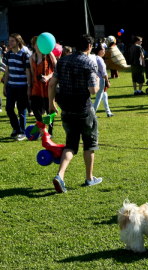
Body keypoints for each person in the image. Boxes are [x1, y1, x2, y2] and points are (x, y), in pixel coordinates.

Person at [48, 34, 102, 193]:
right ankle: (89, 178)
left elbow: (52, 83)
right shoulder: (89, 63)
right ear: (90, 47)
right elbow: (93, 90)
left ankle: (60, 175)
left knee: (71, 144)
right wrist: (97, 82)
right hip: (84, 109)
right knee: (89, 143)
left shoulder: (62, 61)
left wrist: (51, 103)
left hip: (66, 109)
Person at [3, 33, 32, 141]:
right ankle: (16, 128)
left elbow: (28, 73)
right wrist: (4, 86)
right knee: (9, 109)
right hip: (11, 86)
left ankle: (22, 132)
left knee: (21, 110)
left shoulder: (25, 54)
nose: (9, 43)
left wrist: (29, 87)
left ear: (18, 42)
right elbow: (7, 71)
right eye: (9, 41)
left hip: (22, 87)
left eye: (12, 41)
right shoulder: (8, 54)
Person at [29, 36, 57, 136]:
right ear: (34, 45)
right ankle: (42, 127)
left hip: (48, 86)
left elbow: (56, 71)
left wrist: (48, 77)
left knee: (49, 108)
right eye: (37, 43)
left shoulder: (49, 55)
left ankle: (50, 131)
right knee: (35, 108)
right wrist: (30, 87)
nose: (40, 45)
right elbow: (32, 74)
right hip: (36, 87)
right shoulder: (31, 57)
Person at [92, 45, 113, 117]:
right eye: (104, 50)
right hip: (100, 79)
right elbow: (104, 72)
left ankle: (108, 112)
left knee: (104, 95)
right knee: (99, 97)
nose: (104, 52)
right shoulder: (100, 59)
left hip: (95, 78)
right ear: (100, 51)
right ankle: (93, 113)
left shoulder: (93, 58)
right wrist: (107, 81)